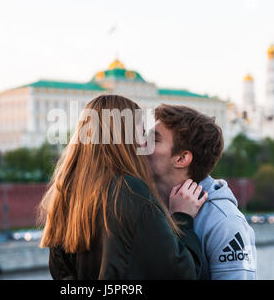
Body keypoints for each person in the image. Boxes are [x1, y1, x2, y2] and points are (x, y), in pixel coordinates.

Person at [39, 94, 208, 279]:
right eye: (141, 133)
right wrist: (183, 217)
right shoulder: (131, 192)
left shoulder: (64, 195)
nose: (145, 142)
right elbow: (182, 274)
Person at [147, 104, 257, 280]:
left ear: (182, 158)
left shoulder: (225, 222)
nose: (141, 145)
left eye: (154, 140)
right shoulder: (144, 205)